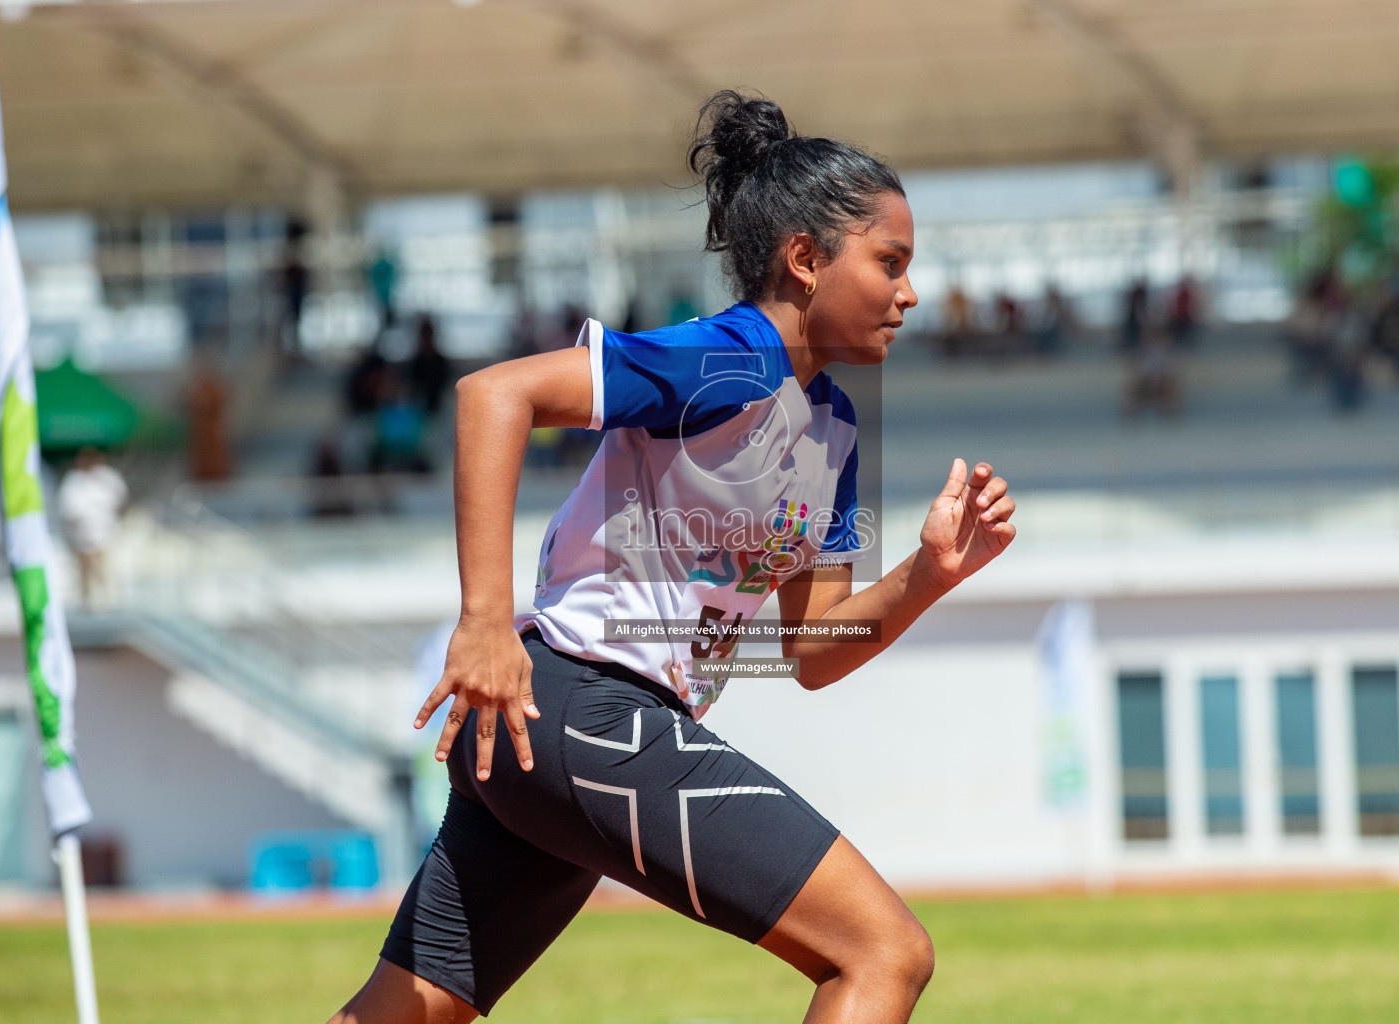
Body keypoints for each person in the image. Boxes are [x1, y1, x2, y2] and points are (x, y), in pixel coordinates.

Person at [328, 89, 1017, 1024]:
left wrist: (931, 572)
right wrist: (485, 624)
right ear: (806, 260)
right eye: (890, 262)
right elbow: (496, 394)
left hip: (559, 737)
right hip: (585, 705)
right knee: (882, 952)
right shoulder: (736, 358)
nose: (911, 292)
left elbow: (815, 650)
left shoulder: (835, 430)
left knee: (409, 1013)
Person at [57, 447, 128, 609]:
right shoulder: (74, 481)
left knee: (104, 570)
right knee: (85, 572)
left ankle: (106, 601)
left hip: (104, 534)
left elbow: (119, 497)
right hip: (82, 536)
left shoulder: (108, 478)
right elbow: (69, 508)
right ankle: (87, 602)